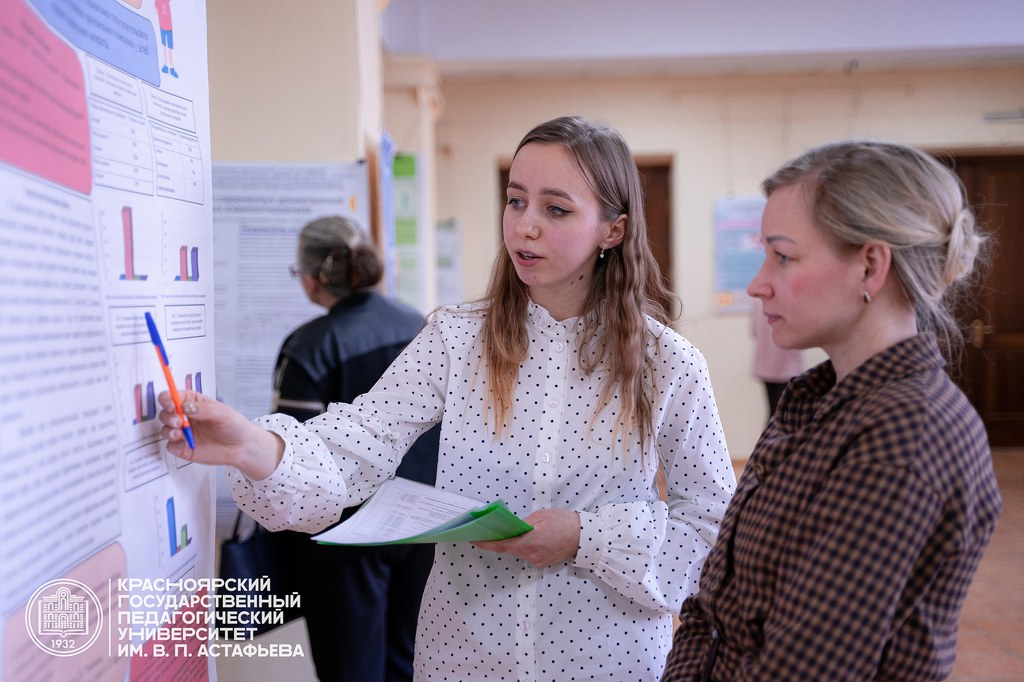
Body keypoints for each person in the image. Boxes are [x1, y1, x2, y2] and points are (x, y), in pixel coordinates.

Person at [159, 115, 735, 681]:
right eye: (515, 201)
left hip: (609, 660)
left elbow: (713, 531)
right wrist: (253, 446)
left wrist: (586, 537)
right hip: (465, 658)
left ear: (613, 230)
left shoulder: (669, 363)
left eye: (555, 209)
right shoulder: (456, 340)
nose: (524, 227)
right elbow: (357, 442)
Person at [661, 140, 1002, 681]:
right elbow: (713, 609)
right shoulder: (816, 403)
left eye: (783, 256)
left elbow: (798, 668)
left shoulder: (904, 436)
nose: (757, 283)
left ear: (870, 266)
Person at [270, 216, 440, 681]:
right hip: (425, 521)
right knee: (410, 661)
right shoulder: (419, 325)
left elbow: (293, 460)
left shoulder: (309, 346)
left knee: (349, 668)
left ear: (311, 278)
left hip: (347, 533)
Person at [749, 297, 803, 420]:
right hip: (788, 367)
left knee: (773, 412)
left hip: (766, 366)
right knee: (785, 415)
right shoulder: (789, 299)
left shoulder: (758, 301)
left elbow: (754, 331)